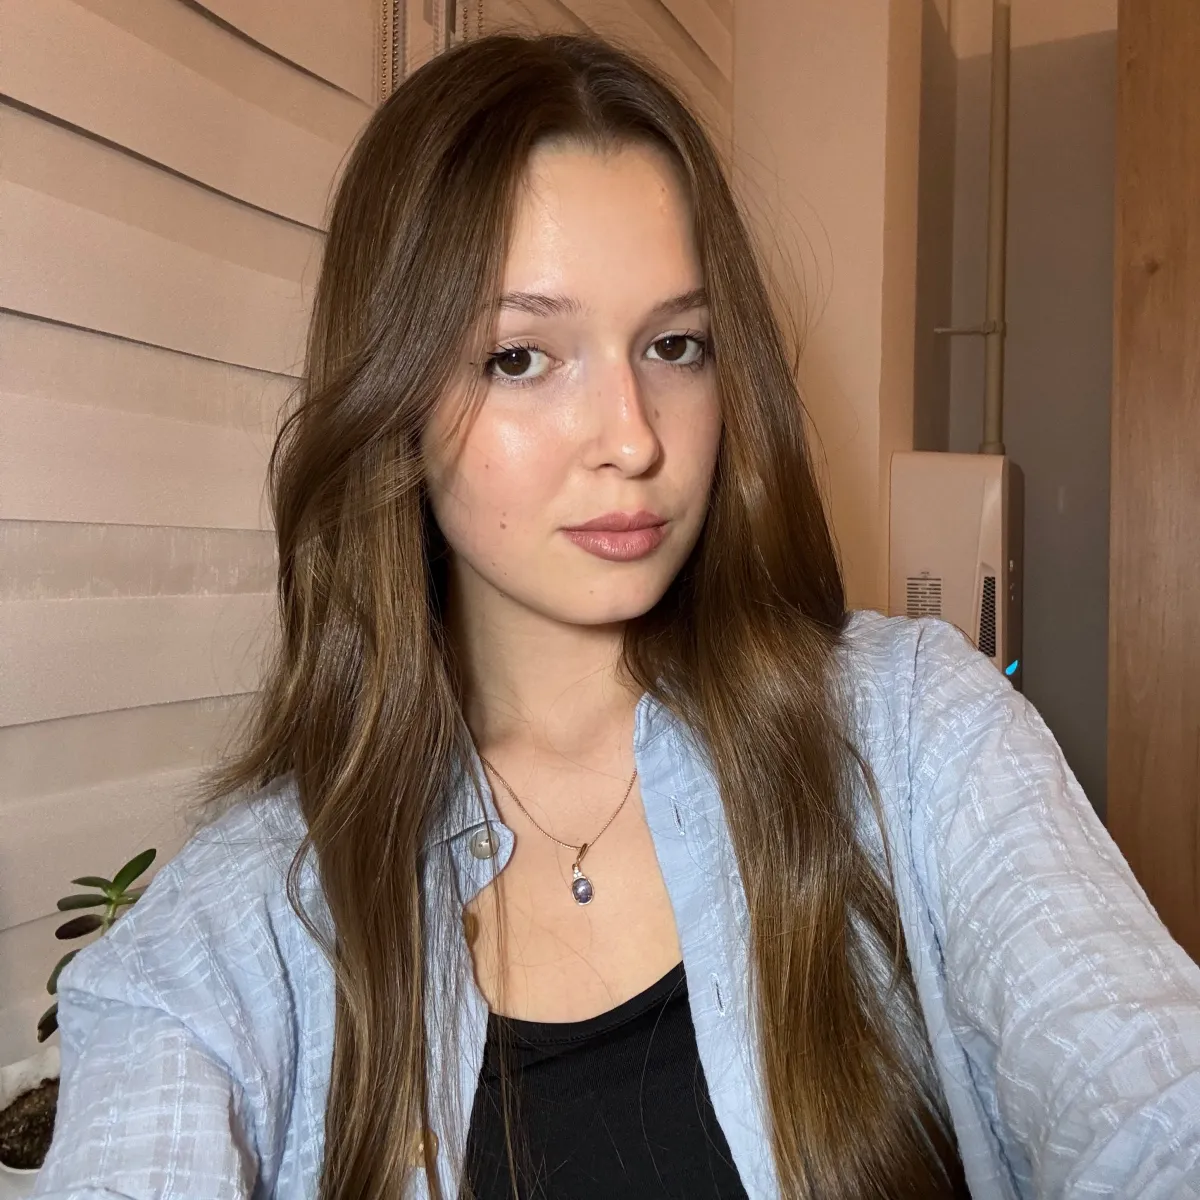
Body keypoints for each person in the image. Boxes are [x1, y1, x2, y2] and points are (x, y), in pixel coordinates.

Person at [32, 32, 1200, 1200]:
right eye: (522, 357)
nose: (635, 438)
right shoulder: (252, 913)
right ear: (393, 396)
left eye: (675, 346)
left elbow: (1153, 1108)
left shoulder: (918, 738)